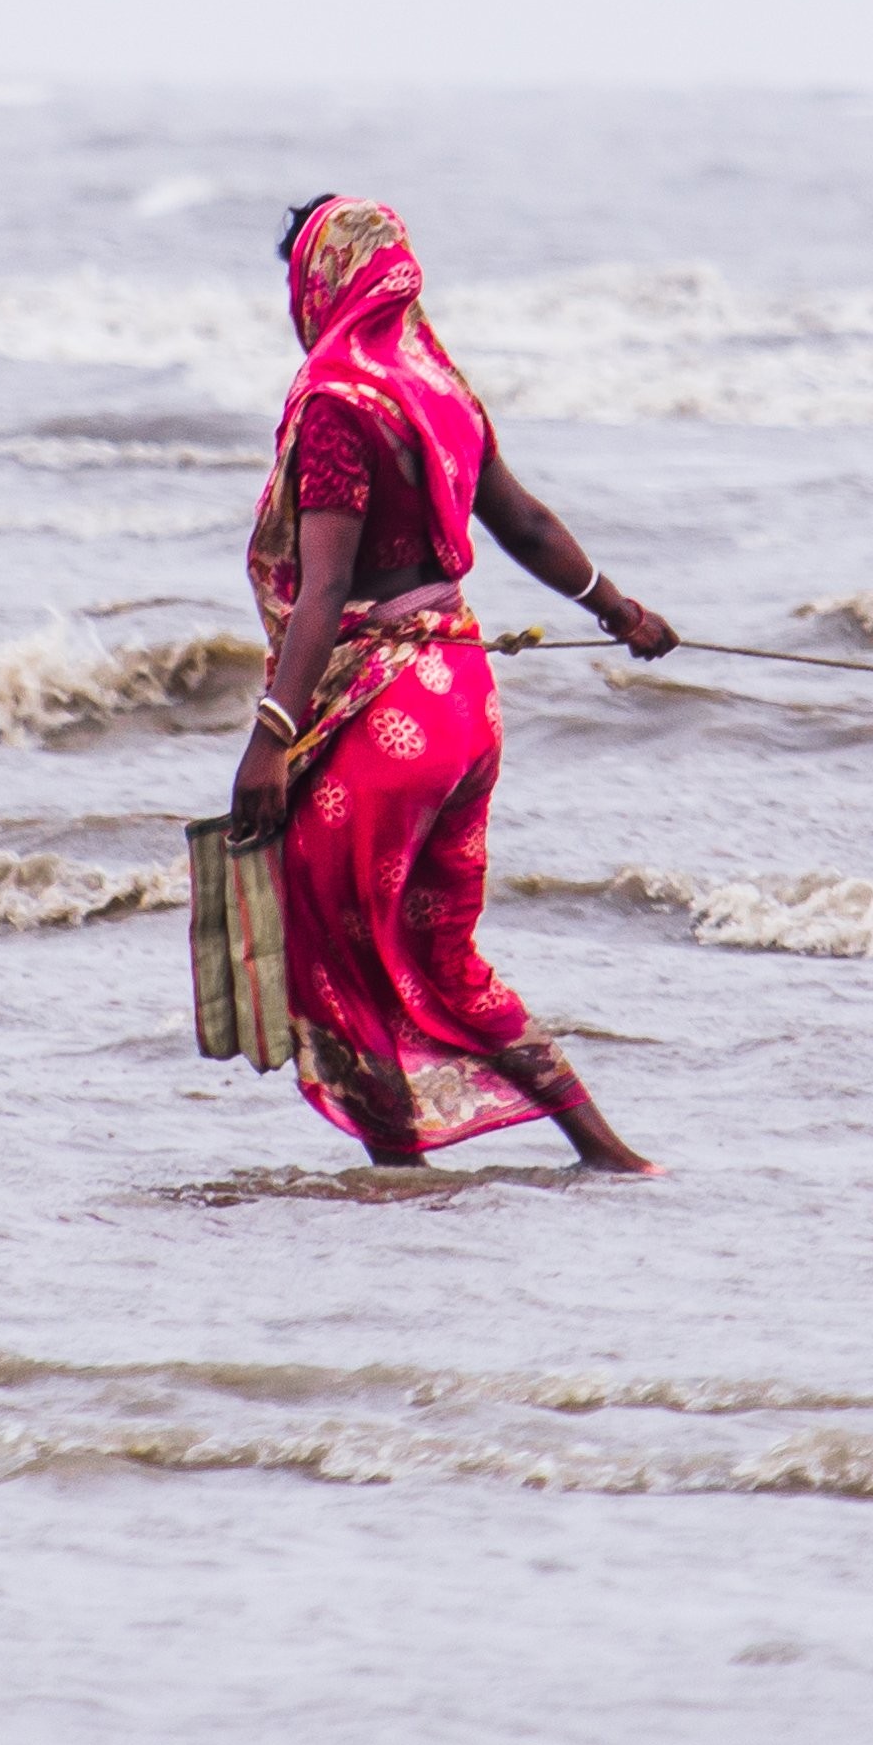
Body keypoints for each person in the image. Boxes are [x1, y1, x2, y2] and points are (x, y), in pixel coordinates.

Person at [222, 195, 673, 1171]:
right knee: (441, 954)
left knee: (340, 940)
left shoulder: (340, 397)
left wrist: (268, 736)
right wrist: (620, 610)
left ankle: (400, 1170)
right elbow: (527, 523)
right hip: (460, 705)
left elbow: (328, 584)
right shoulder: (435, 379)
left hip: (384, 715)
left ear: (323, 278)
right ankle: (606, 1152)